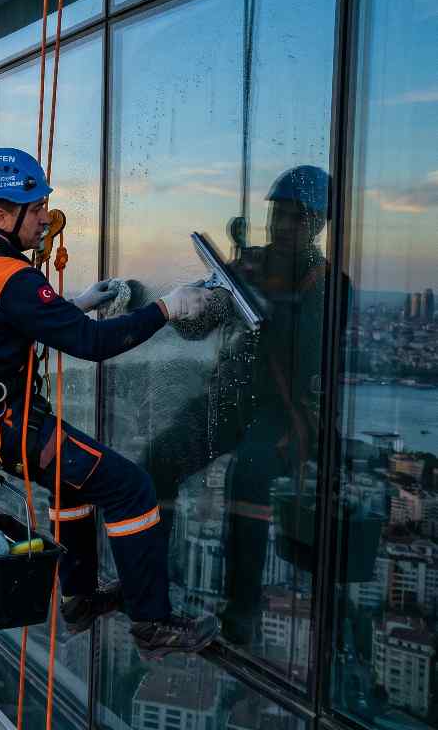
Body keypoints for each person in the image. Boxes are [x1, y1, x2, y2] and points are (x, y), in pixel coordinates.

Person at [0, 146, 220, 658]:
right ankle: (153, 626)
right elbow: (95, 345)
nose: (45, 218)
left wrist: (72, 306)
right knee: (132, 489)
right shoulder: (11, 275)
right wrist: (166, 309)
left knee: (71, 487)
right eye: (35, 208)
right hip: (5, 426)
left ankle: (80, 599)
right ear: (2, 214)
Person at [140, 165, 340, 646]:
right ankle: (150, 589)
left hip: (285, 411)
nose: (283, 226)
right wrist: (198, 297)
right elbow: (195, 329)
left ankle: (243, 607)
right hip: (231, 399)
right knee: (159, 460)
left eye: (295, 218)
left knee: (248, 473)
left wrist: (261, 295)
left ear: (317, 225)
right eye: (279, 216)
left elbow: (308, 352)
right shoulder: (250, 267)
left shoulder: (327, 285)